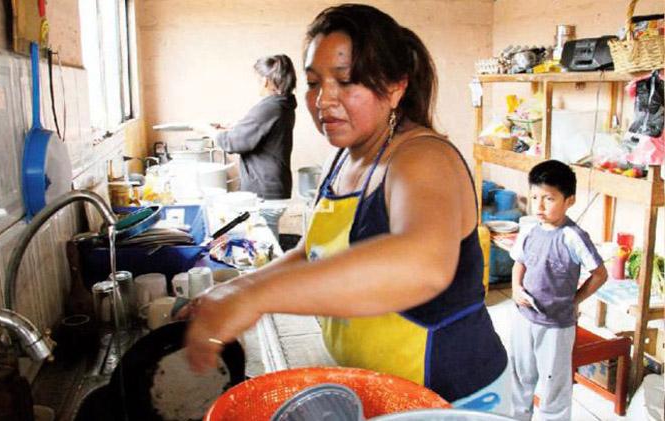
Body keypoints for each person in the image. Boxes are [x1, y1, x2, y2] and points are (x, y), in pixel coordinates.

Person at [181, 4, 509, 411]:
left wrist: (256, 297)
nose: (323, 99)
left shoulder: (423, 159)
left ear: (395, 88)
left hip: (452, 400)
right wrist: (237, 288)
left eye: (346, 80)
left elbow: (422, 267)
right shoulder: (344, 157)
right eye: (313, 82)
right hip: (378, 391)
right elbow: (312, 253)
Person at [509, 160, 607, 421]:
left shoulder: (573, 236)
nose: (539, 206)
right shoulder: (529, 229)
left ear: (569, 201)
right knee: (520, 376)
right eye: (535, 197)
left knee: (554, 385)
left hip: (556, 325)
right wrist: (516, 288)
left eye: (549, 199)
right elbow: (519, 262)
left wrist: (575, 300)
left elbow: (600, 274)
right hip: (524, 317)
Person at [207, 54, 297, 237]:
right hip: (274, 187)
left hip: (265, 192)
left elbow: (233, 143)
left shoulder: (270, 107)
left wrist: (206, 130)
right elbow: (261, 131)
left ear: (265, 80)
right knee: (264, 241)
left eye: (257, 79)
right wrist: (236, 126)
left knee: (264, 245)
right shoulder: (283, 104)